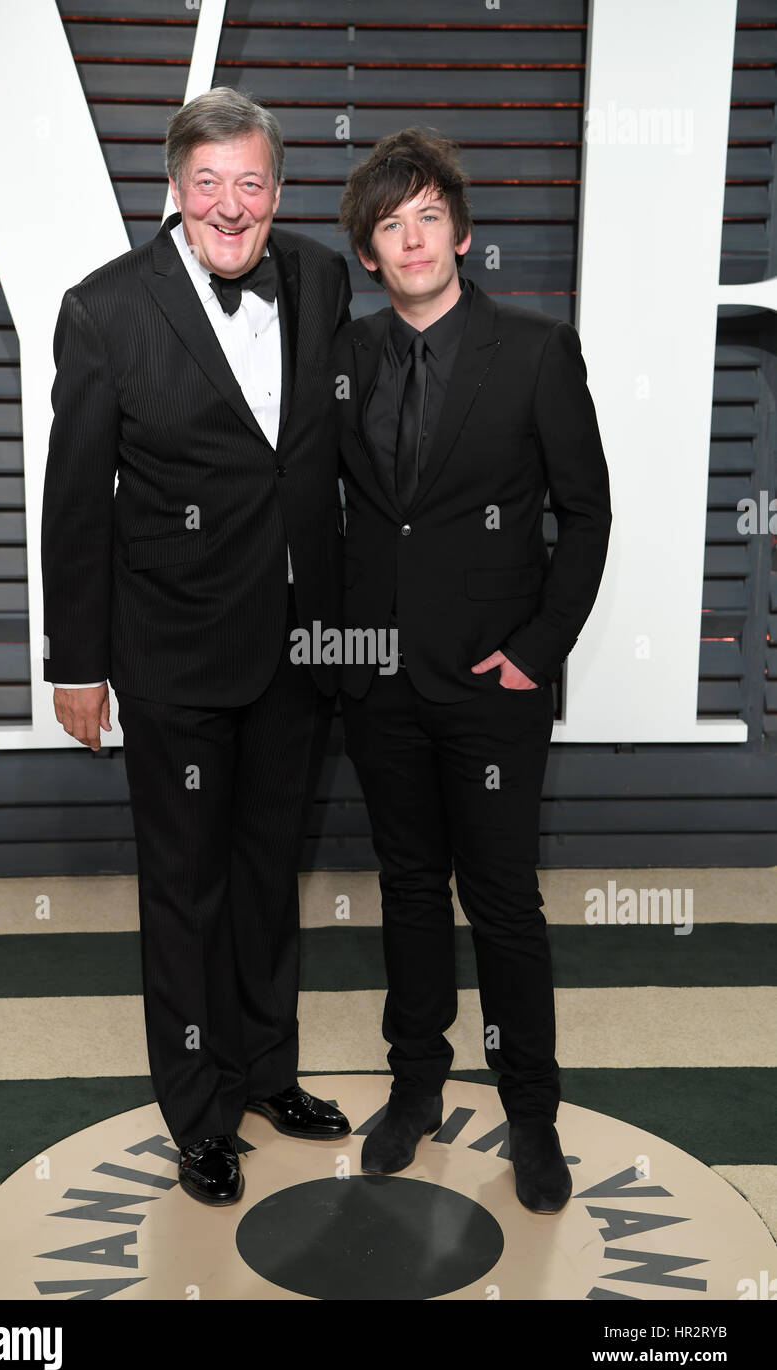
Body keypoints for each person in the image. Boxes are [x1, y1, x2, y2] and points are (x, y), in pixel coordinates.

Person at [41, 87, 352, 1208]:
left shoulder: (319, 279)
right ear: (173, 189)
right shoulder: (105, 309)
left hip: (298, 648)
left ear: (278, 188)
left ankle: (266, 1067)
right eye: (208, 182)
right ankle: (198, 1106)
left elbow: (321, 461)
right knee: (186, 886)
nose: (231, 206)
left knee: (270, 875)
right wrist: (76, 661)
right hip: (171, 649)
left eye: (252, 182)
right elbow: (74, 500)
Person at [335, 128, 611, 1212]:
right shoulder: (345, 358)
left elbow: (584, 515)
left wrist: (533, 653)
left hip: (494, 686)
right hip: (380, 686)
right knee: (406, 889)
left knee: (501, 901)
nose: (410, 239)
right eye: (387, 225)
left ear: (459, 231)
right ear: (367, 251)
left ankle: (531, 1114)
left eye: (425, 217)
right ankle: (414, 1088)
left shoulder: (536, 351)